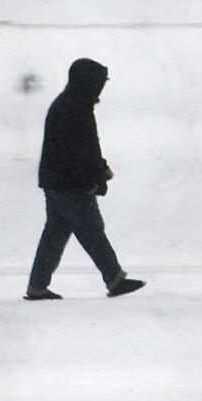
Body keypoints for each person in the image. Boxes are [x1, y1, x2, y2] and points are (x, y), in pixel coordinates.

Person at [24, 58, 144, 301]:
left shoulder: (70, 103)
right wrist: (95, 176)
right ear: (88, 83)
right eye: (99, 82)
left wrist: (100, 169)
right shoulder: (75, 107)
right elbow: (81, 150)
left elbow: (85, 148)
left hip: (56, 180)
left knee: (55, 234)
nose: (101, 87)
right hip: (70, 183)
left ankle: (37, 286)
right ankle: (115, 279)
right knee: (92, 231)